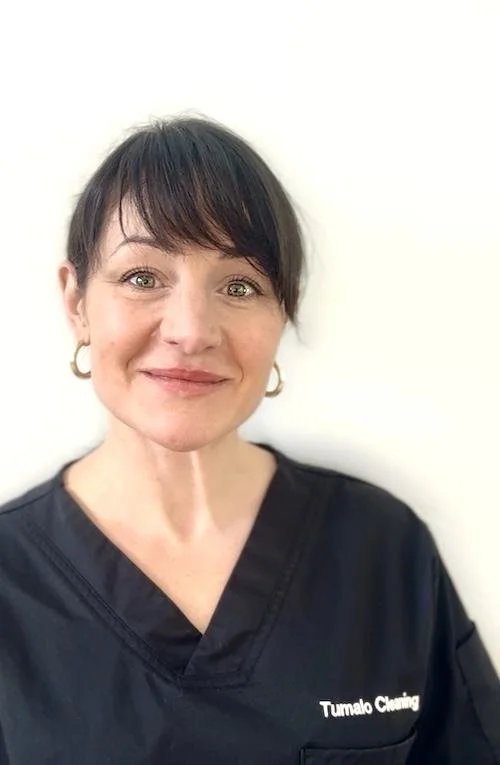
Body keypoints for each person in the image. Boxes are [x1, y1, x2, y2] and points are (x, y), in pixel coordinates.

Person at [0, 116, 498, 765]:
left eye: (240, 286)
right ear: (76, 303)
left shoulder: (383, 552)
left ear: (282, 312)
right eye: (143, 277)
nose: (191, 330)